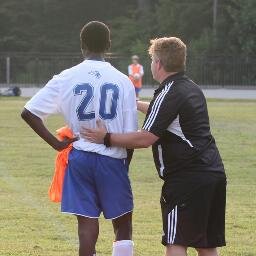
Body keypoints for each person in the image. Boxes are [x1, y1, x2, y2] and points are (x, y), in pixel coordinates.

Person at [82, 37, 226, 256]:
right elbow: (163, 113)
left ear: (158, 63)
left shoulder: (168, 92)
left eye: (151, 60)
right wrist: (132, 103)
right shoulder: (190, 87)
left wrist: (106, 137)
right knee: (205, 245)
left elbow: (145, 138)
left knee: (176, 241)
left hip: (187, 180)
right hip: (212, 174)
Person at [21, 21, 138, 256]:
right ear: (108, 45)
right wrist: (124, 164)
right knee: (122, 224)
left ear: (82, 44)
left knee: (86, 226)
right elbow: (130, 134)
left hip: (80, 157)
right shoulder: (123, 81)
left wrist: (56, 144)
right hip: (112, 158)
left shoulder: (66, 77)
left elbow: (29, 112)